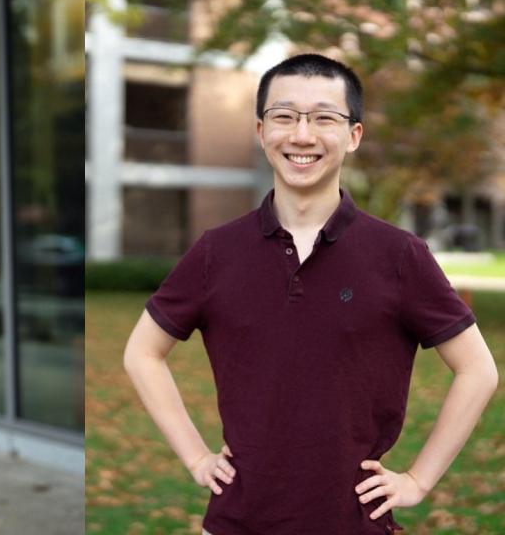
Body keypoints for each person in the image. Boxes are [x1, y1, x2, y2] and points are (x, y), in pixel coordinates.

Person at [123, 54, 498, 535]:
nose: (302, 136)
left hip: (353, 524)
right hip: (236, 523)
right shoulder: (217, 251)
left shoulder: (399, 255)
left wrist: (418, 480)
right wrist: (197, 457)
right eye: (284, 116)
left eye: (324, 118)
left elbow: (478, 370)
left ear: (353, 135)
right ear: (262, 132)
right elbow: (142, 352)